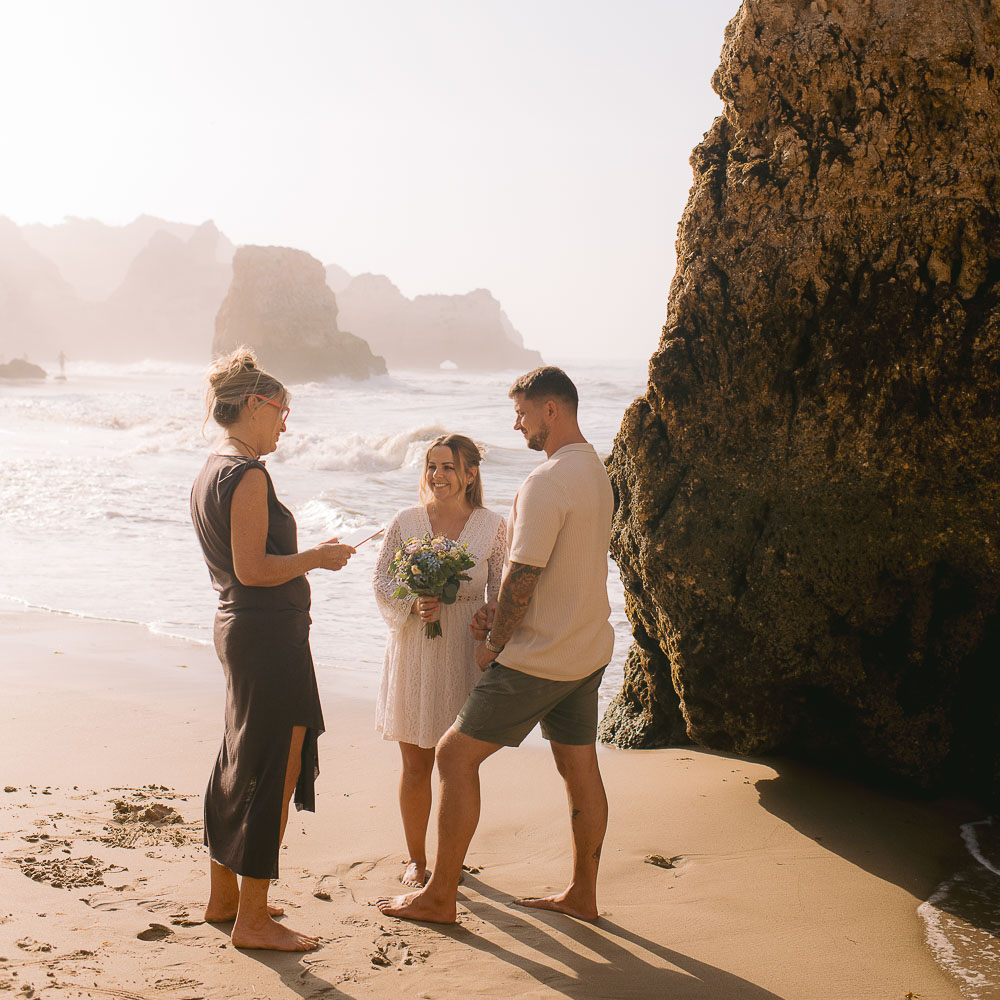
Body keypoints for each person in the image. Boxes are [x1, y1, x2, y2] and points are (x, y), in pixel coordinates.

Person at [377, 366, 614, 924]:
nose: (518, 424)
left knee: (453, 755)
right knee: (580, 768)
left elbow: (522, 576)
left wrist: (493, 643)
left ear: (550, 410)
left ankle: (439, 895)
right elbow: (563, 567)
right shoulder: (597, 472)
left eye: (523, 413)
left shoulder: (545, 480)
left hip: (541, 655)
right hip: (589, 649)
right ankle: (584, 894)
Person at [190, 346, 354, 951]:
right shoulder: (248, 473)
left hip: (241, 630)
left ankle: (224, 898)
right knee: (272, 769)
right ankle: (253, 920)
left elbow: (240, 568)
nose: (287, 422)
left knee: (238, 757)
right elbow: (254, 568)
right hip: (265, 637)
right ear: (256, 404)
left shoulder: (213, 467)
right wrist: (317, 557)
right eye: (283, 410)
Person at [373, 433, 507, 888]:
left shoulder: (492, 526)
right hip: (416, 651)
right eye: (431, 466)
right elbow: (381, 583)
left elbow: (503, 594)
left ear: (471, 474)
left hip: (464, 655)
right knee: (416, 764)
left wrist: (489, 619)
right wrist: (413, 605)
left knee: (459, 766)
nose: (438, 475)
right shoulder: (406, 521)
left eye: (448, 467)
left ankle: (451, 859)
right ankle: (416, 860)